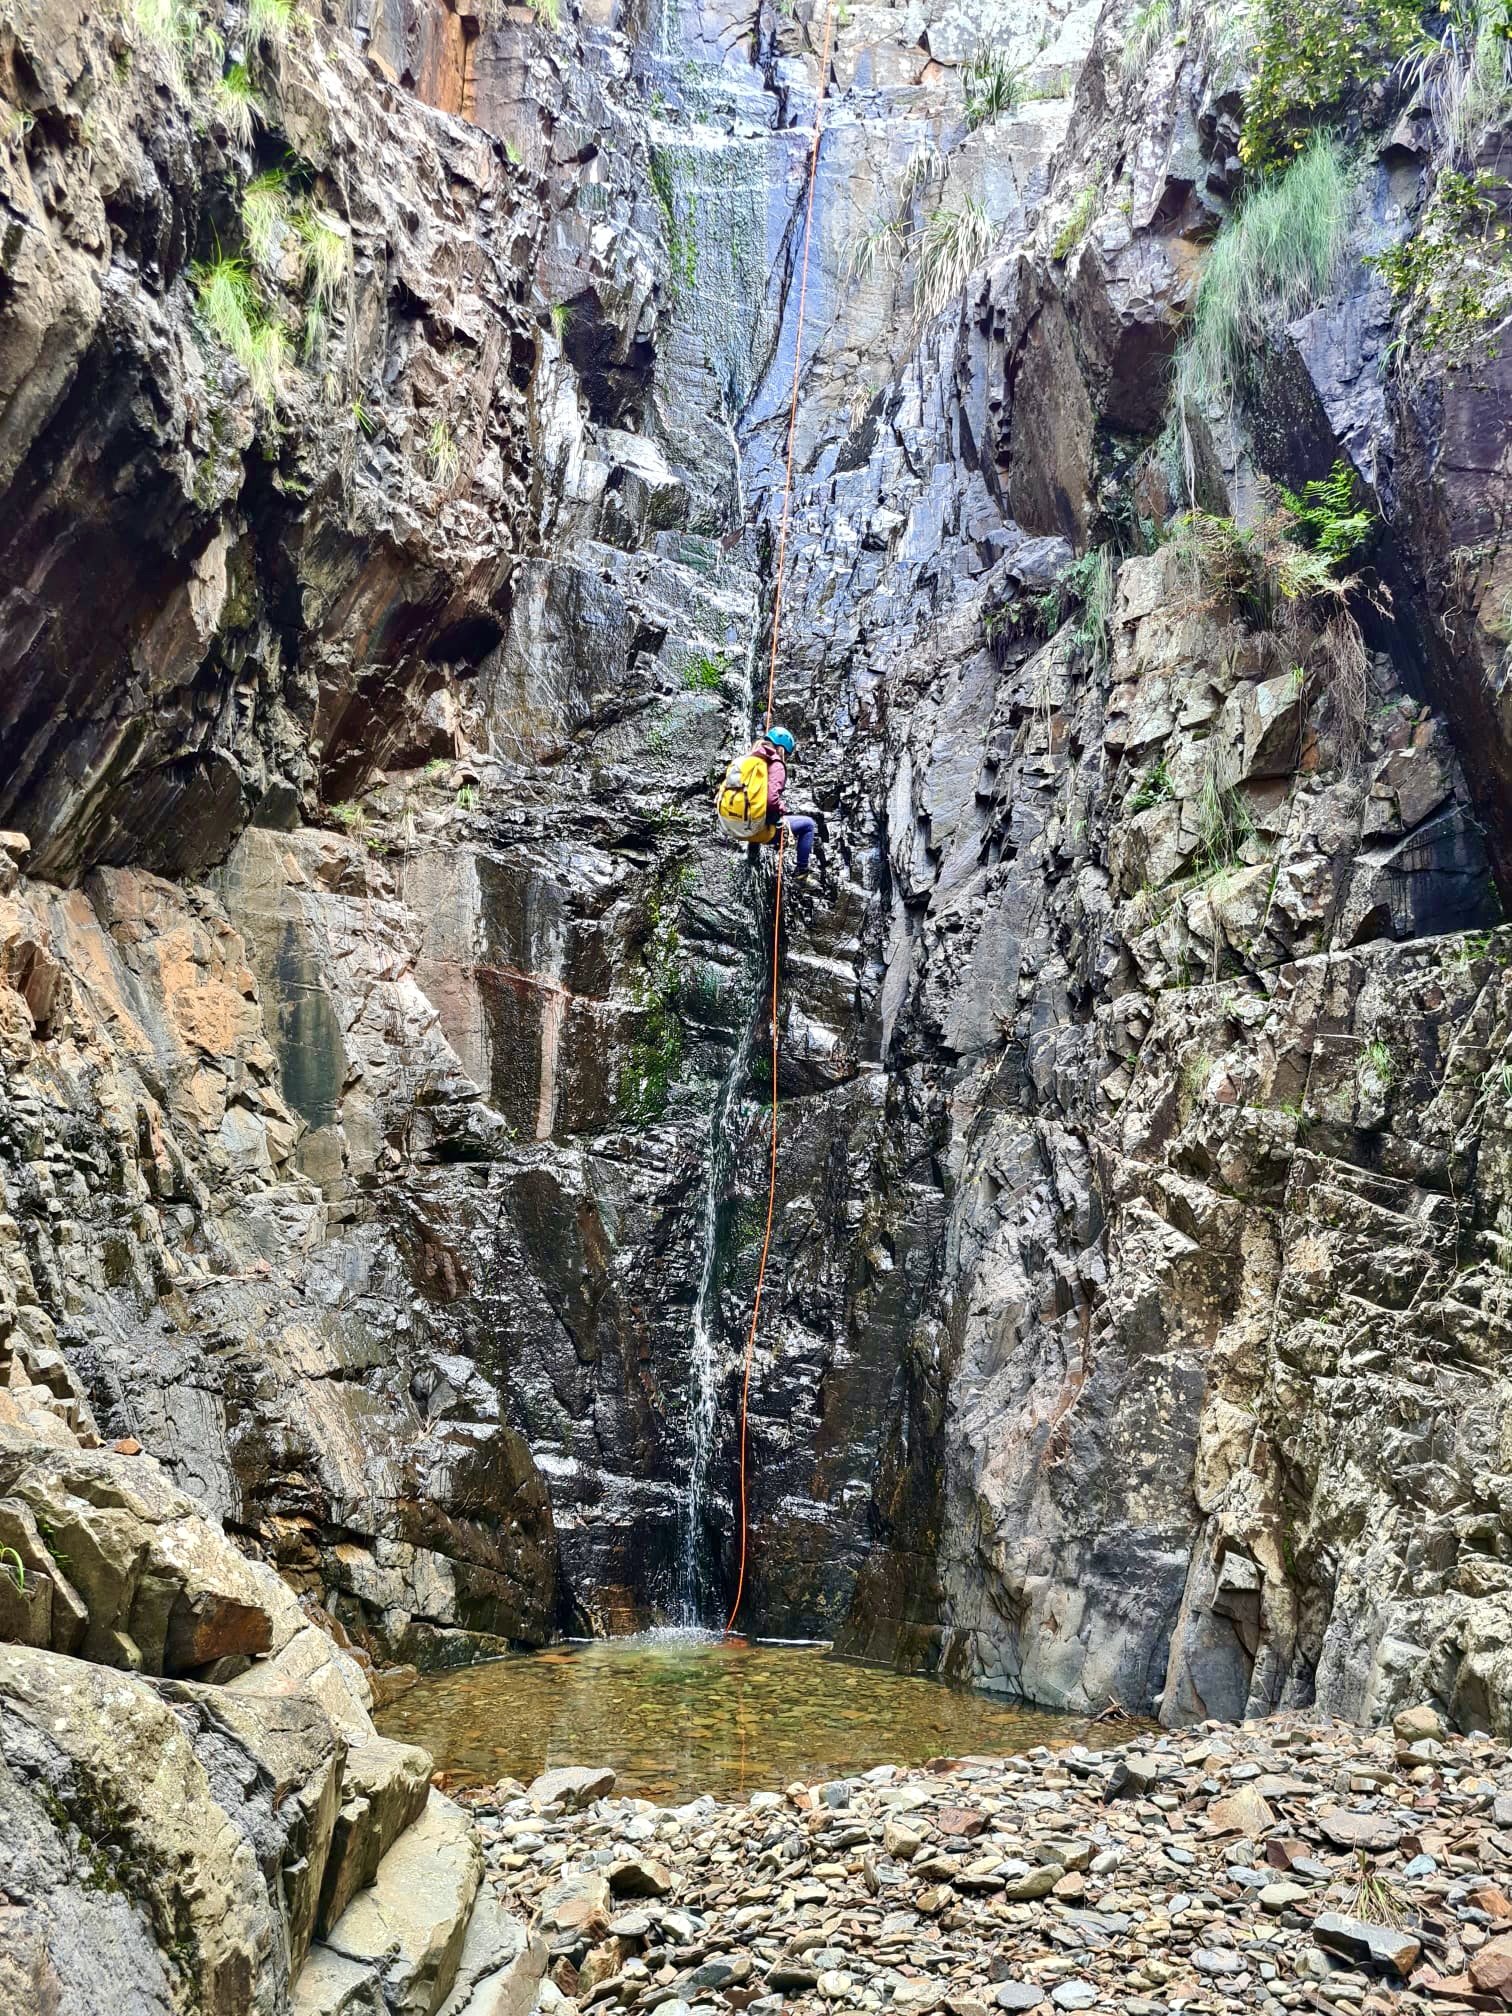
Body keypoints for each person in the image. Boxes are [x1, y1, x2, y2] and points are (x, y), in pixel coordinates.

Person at [716, 725, 820, 878]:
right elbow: (771, 801)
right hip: (759, 831)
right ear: (781, 749)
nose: (785, 758)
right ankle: (801, 874)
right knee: (808, 825)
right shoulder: (776, 764)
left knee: (755, 809)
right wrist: (781, 808)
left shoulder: (748, 759)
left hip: (732, 826)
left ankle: (752, 857)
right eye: (787, 755)